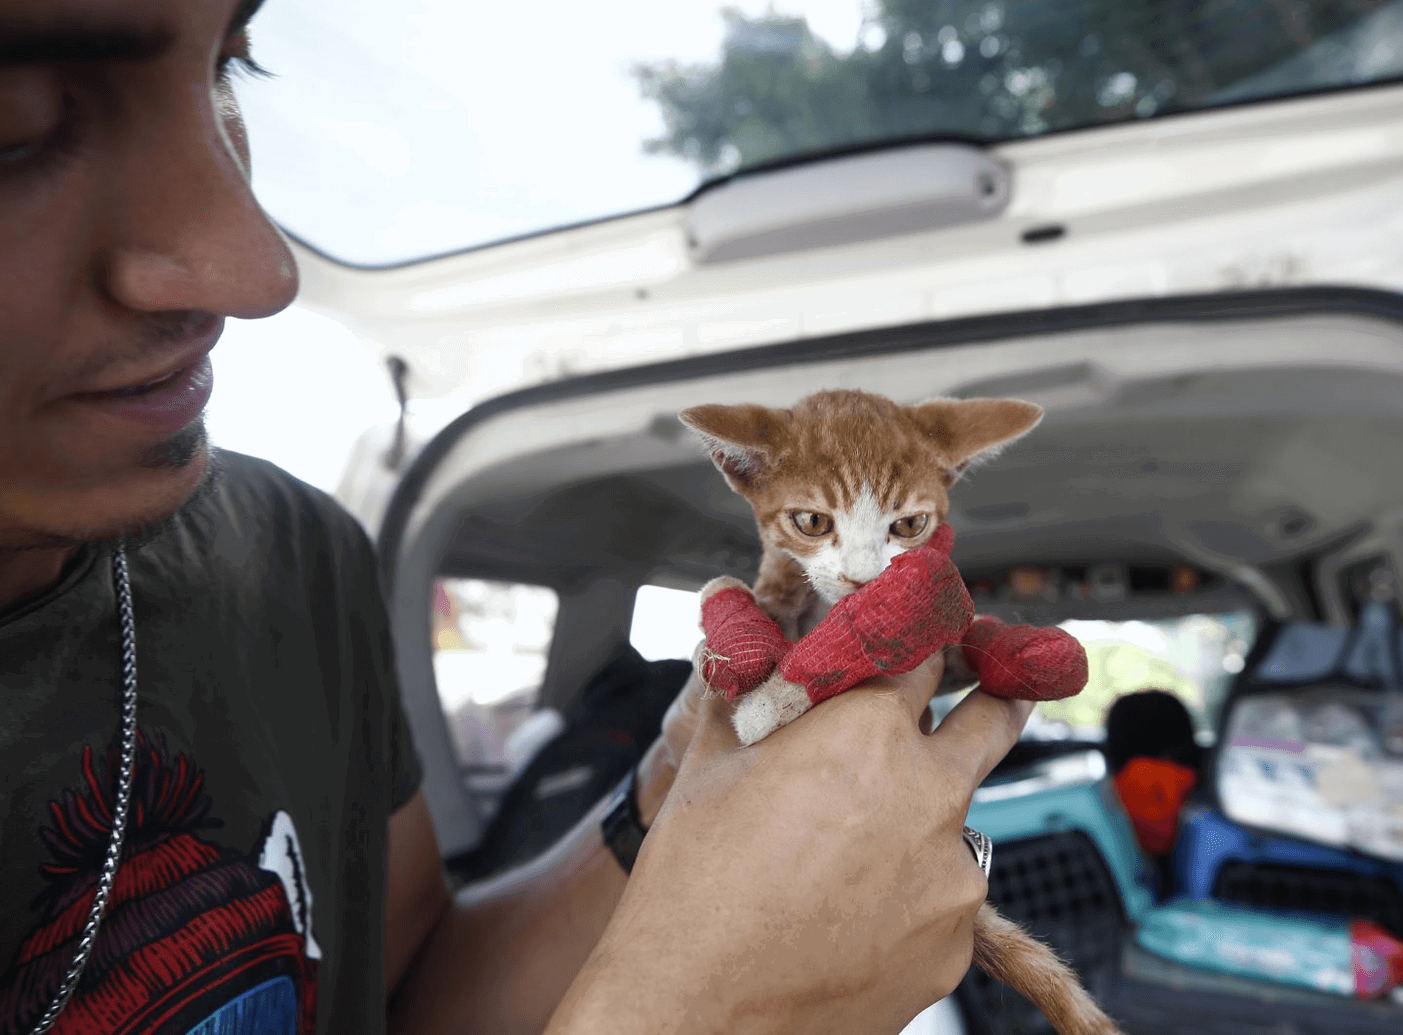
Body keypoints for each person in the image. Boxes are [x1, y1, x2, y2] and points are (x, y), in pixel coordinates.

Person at [0, 1, 1035, 1032]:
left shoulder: (293, 559)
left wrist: (670, 791)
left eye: (232, 69)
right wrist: (697, 1016)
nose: (257, 271)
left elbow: (408, 998)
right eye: (16, 119)